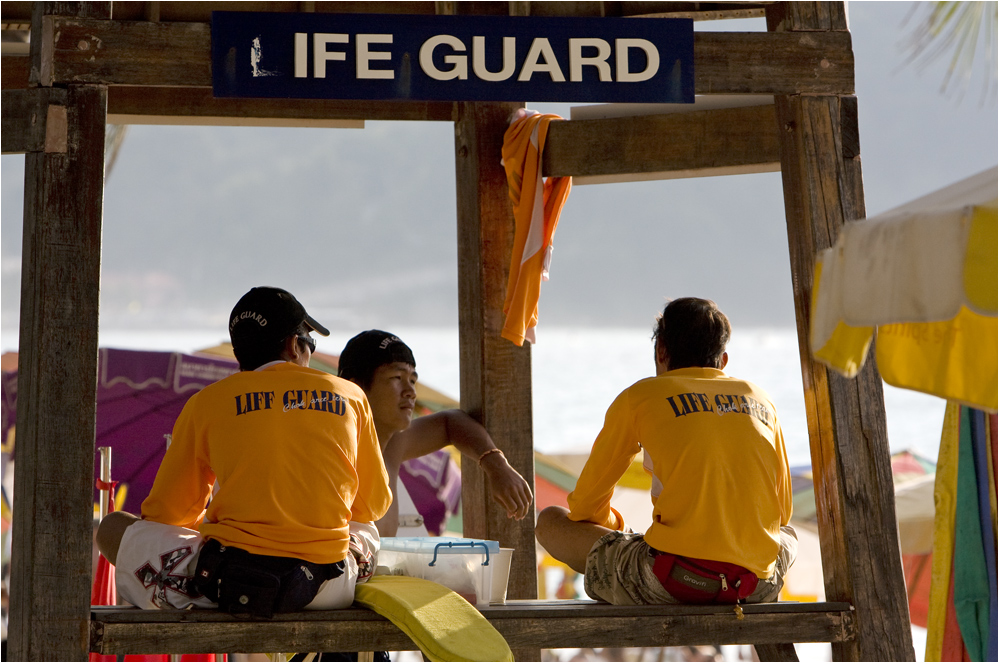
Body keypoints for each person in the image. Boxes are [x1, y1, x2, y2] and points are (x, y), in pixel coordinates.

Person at [97, 287, 392, 617]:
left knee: (111, 527)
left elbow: (167, 515)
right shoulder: (350, 395)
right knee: (365, 530)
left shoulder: (207, 402)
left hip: (229, 582)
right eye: (310, 342)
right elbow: (371, 505)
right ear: (294, 346)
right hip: (325, 587)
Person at [535, 297, 795, 606]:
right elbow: (782, 514)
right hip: (755, 586)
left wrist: (620, 530)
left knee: (550, 521)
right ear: (723, 361)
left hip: (675, 581)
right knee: (789, 535)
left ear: (661, 350)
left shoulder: (640, 397)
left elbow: (583, 510)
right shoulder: (762, 400)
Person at [337, 330, 533, 537]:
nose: (411, 392)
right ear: (355, 387)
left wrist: (497, 466)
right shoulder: (335, 446)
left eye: (412, 380)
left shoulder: (393, 443)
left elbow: (451, 423)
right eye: (397, 377)